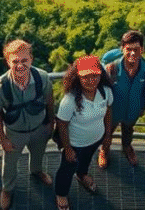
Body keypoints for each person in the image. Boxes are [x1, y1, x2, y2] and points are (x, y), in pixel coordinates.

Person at [0, 39, 55, 210]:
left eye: (24, 60)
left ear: (31, 59)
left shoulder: (42, 78)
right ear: (8, 62)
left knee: (39, 153)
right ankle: (7, 189)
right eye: (15, 61)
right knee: (10, 162)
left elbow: (49, 100)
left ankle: (37, 171)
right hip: (14, 132)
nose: (20, 65)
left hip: (39, 127)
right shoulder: (0, 88)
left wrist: (50, 123)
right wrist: (2, 138)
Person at [55, 55, 114, 210]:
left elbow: (108, 112)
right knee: (67, 170)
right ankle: (61, 193)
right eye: (85, 76)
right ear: (78, 77)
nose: (91, 79)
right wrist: (67, 148)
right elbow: (62, 124)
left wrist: (107, 136)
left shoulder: (105, 92)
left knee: (86, 161)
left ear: (100, 75)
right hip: (75, 143)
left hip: (95, 139)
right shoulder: (70, 100)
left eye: (94, 75)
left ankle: (82, 175)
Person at [99, 30, 145, 168]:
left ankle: (127, 148)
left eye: (136, 49)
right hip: (113, 110)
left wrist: (142, 107)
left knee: (128, 130)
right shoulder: (112, 68)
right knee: (107, 131)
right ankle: (104, 150)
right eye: (129, 49)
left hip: (133, 109)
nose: (132, 53)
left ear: (142, 50)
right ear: (122, 49)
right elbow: (101, 89)